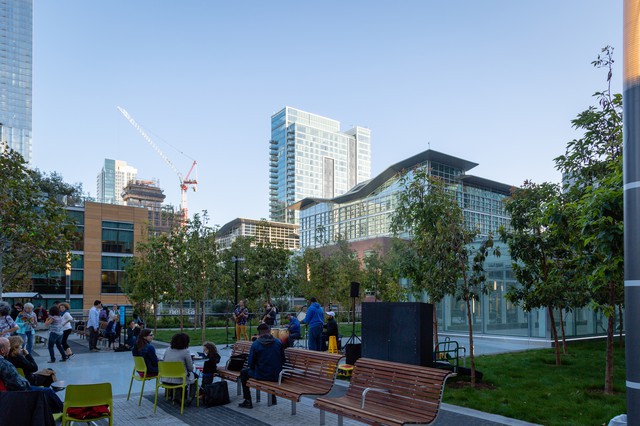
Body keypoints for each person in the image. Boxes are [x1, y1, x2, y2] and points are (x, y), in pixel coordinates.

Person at [0, 337, 64, 413]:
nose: (9, 348)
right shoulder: (5, 364)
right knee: (48, 390)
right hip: (19, 391)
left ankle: (53, 409)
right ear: (2, 350)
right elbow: (32, 370)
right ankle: (62, 410)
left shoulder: (6, 360)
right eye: (8, 346)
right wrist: (27, 355)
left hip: (9, 390)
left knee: (46, 389)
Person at [238, 323, 285, 409]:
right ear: (270, 331)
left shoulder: (256, 344)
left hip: (261, 375)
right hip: (276, 375)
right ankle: (273, 398)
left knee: (244, 373)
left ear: (259, 333)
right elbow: (283, 360)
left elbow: (250, 363)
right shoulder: (278, 342)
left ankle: (248, 400)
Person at [162, 332, 197, 405]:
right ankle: (190, 398)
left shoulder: (168, 349)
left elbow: (164, 361)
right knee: (194, 376)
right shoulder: (186, 352)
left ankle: (175, 396)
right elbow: (190, 368)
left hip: (165, 378)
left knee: (179, 374)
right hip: (179, 380)